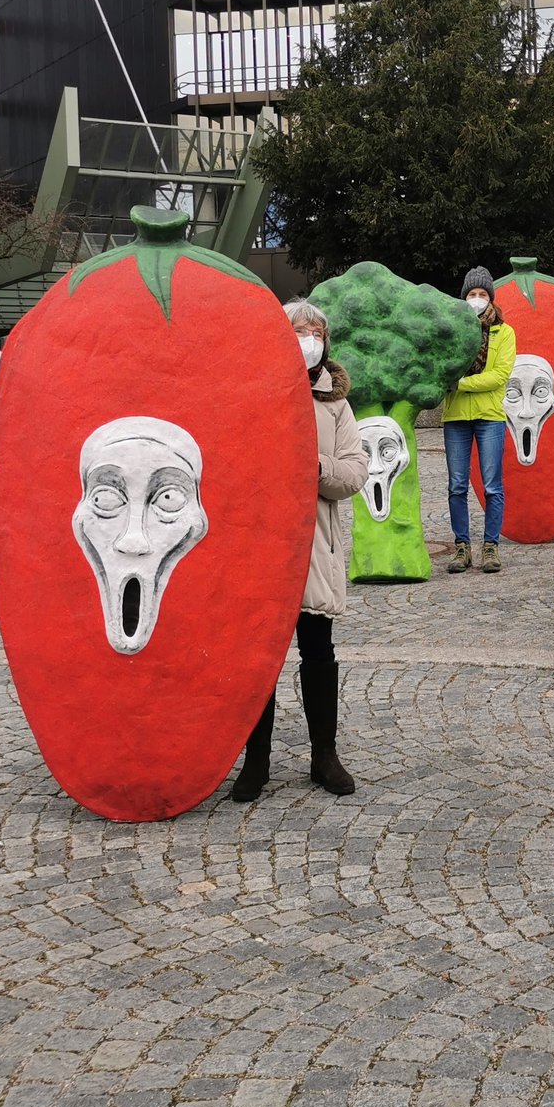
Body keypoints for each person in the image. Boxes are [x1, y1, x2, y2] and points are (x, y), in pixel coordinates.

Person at [231, 300, 367, 801]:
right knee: (258, 658)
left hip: (314, 544)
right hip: (260, 546)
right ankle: (256, 761)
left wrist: (314, 467)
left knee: (318, 651)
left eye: (316, 332)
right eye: (299, 331)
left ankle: (324, 756)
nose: (309, 339)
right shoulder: (253, 394)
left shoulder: (336, 403)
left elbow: (355, 472)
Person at [441, 267, 516, 574]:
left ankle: (490, 545)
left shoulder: (504, 332)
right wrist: (453, 382)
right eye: (471, 294)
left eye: (482, 294)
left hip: (489, 416)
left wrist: (461, 384)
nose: (476, 299)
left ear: (491, 298)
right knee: (457, 485)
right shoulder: (453, 331)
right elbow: (444, 368)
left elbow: (499, 376)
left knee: (492, 485)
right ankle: (462, 547)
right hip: (456, 416)